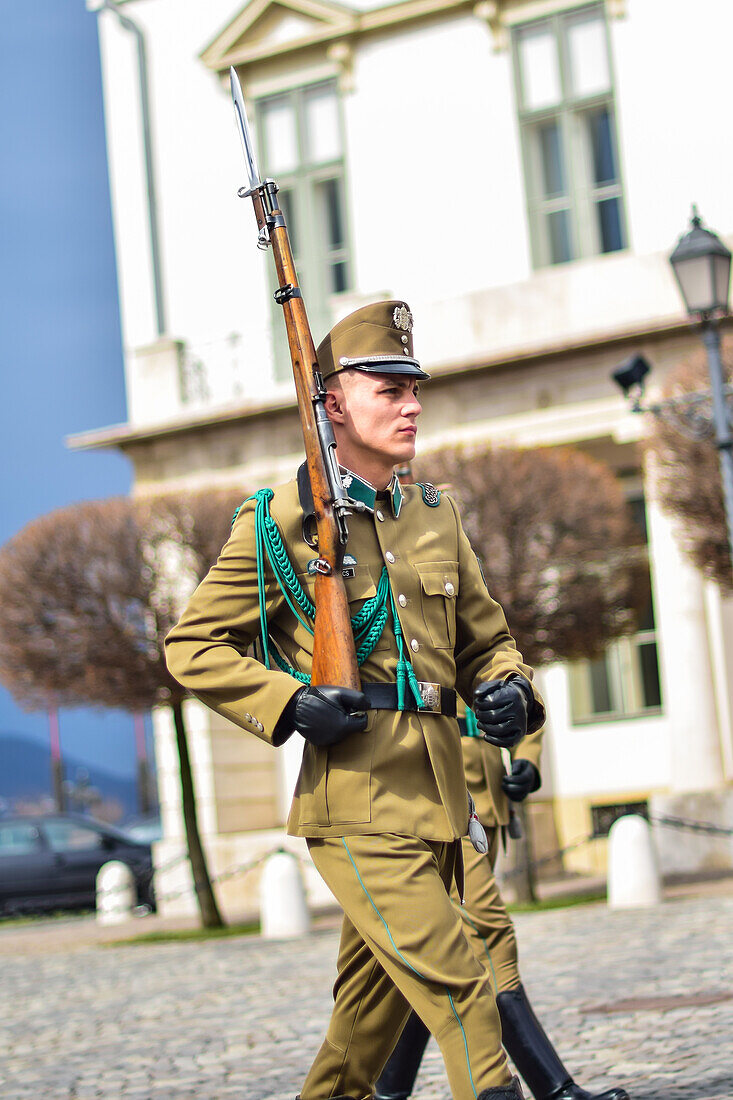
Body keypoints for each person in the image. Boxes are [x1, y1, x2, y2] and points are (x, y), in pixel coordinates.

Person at [165, 300, 546, 1100]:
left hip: (441, 803)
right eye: (388, 391)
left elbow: (488, 640)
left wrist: (510, 689)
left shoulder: (434, 516)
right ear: (332, 402)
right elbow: (191, 646)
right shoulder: (279, 521)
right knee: (462, 991)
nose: (411, 406)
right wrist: (289, 701)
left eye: (415, 390)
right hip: (359, 804)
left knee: (358, 1041)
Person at [374, 707, 630, 1100]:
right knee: (490, 936)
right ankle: (555, 1089)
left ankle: (388, 1091)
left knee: (441, 958)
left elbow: (515, 688)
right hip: (437, 806)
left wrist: (526, 757)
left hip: (488, 809)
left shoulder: (479, 642)